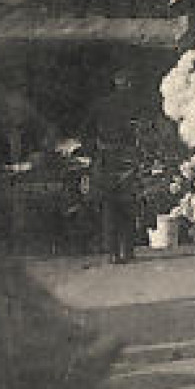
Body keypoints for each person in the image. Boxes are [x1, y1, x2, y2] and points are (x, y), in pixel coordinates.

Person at [87, 68, 142, 264]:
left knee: (112, 206)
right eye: (127, 82)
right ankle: (124, 250)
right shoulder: (133, 105)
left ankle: (115, 252)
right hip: (122, 158)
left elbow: (88, 131)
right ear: (120, 83)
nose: (128, 86)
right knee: (124, 205)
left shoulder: (101, 105)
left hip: (108, 158)